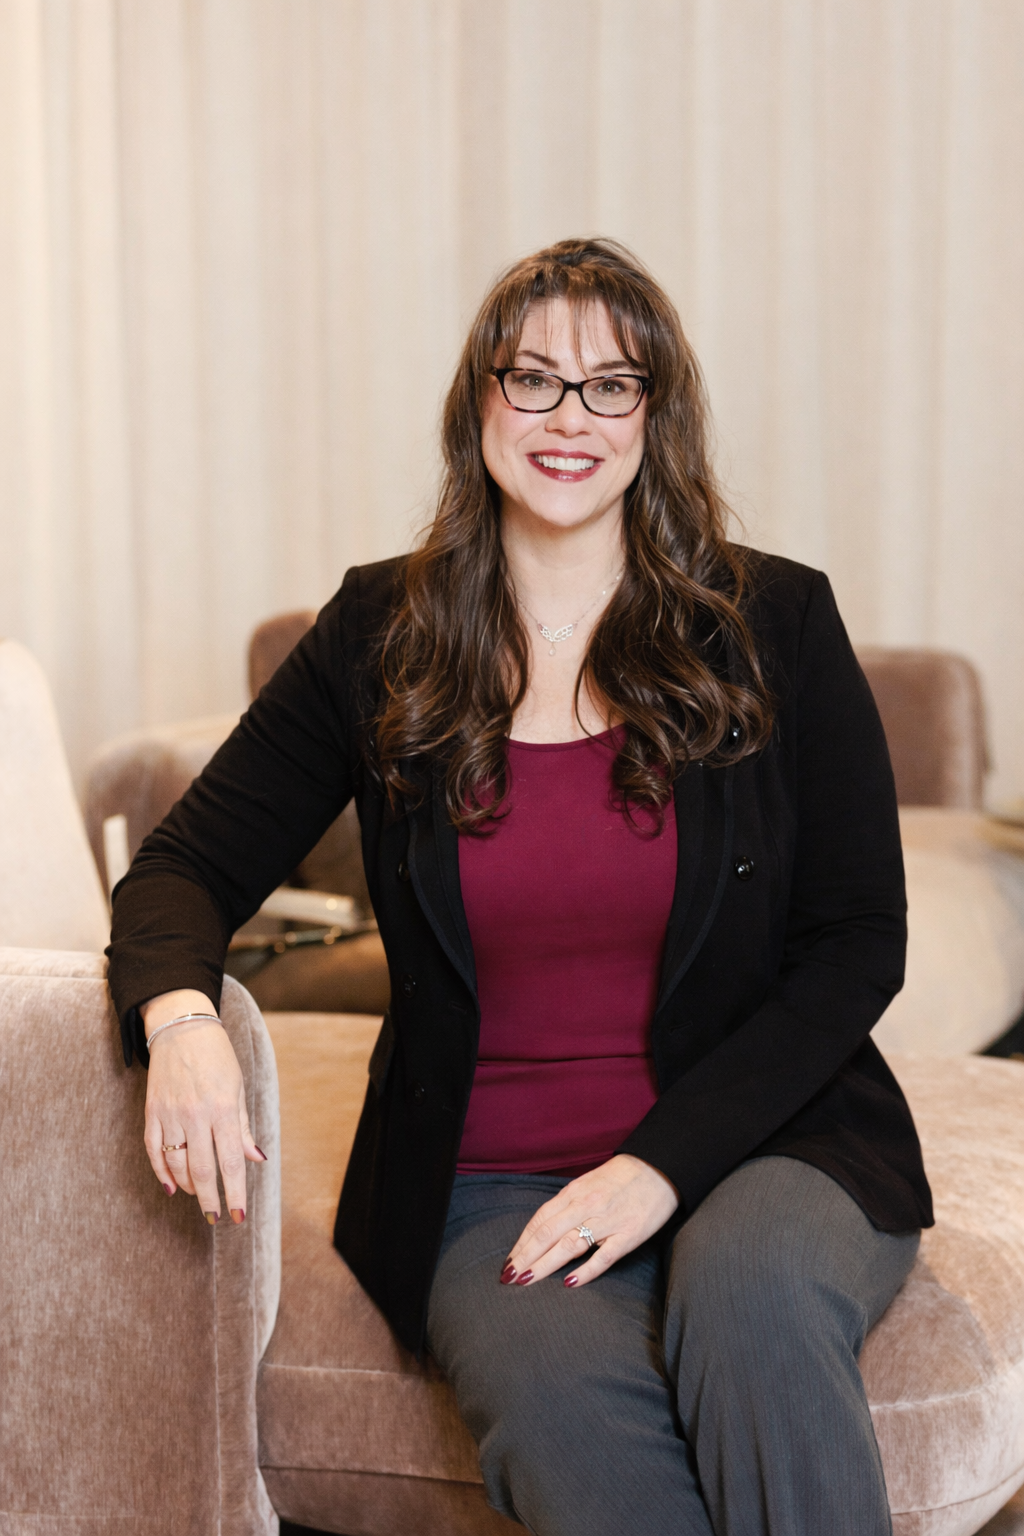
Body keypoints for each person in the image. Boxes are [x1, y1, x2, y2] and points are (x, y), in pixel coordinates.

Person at [108, 237, 933, 1536]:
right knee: (571, 1432)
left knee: (750, 1297)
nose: (569, 417)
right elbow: (181, 869)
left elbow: (857, 942)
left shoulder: (774, 622)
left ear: (655, 415)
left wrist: (658, 1168)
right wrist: (182, 1022)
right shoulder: (381, 633)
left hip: (768, 1147)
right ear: (478, 401)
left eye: (612, 385)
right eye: (533, 378)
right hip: (488, 1182)